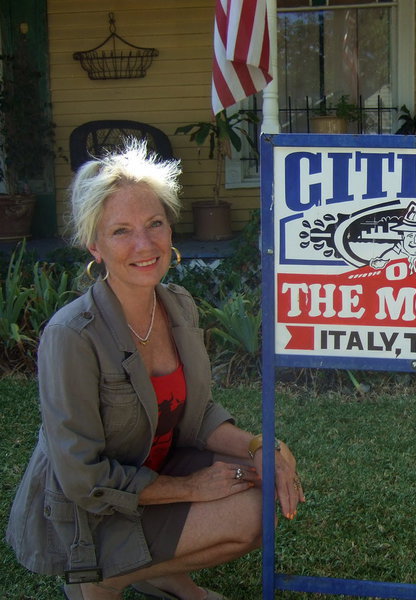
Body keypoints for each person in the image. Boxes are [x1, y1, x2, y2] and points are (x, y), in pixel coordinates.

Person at [5, 141, 305, 600]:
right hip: (94, 512)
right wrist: (190, 488)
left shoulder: (178, 305)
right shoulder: (72, 335)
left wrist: (260, 447)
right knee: (244, 513)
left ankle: (157, 573)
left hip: (158, 472)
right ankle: (101, 575)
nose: (144, 245)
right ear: (95, 246)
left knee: (262, 492)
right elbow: (84, 479)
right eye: (121, 231)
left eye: (154, 224)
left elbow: (196, 414)